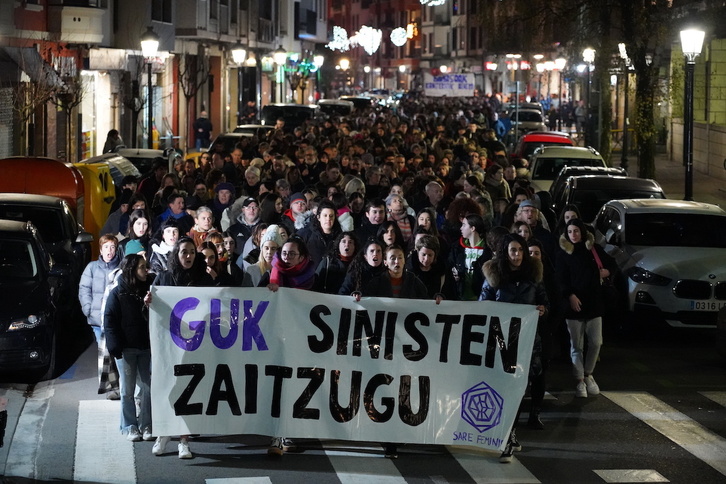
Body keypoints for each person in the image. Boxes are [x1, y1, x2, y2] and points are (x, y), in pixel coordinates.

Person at [480, 233, 548, 463]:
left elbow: (545, 302)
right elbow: (483, 305)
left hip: (527, 341)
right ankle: (506, 436)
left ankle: (510, 433)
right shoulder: (494, 275)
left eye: (520, 250)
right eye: (512, 250)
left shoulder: (534, 276)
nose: (517, 255)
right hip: (501, 341)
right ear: (504, 252)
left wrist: (541, 309)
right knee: (504, 388)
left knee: (519, 389)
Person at [151, 237, 214, 458]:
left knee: (189, 390)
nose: (187, 256)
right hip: (168, 344)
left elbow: (216, 305)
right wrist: (148, 302)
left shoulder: (204, 279)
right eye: (183, 252)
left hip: (195, 345)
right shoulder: (164, 277)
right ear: (176, 255)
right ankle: (163, 434)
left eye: (191, 252)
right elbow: (154, 311)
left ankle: (183, 440)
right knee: (167, 388)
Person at [263, 236, 316, 457]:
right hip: (276, 339)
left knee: (295, 385)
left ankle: (290, 431)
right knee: (278, 386)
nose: (286, 257)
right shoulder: (271, 275)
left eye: (291, 254)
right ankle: (277, 435)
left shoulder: (313, 277)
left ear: (302, 257)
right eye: (283, 253)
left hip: (301, 338)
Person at [556, 218, 616, 399]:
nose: (573, 235)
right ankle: (580, 380)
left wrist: (608, 271)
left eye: (576, 231)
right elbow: (560, 279)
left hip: (594, 304)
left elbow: (612, 263)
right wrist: (570, 296)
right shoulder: (563, 253)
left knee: (596, 342)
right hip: (574, 306)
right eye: (570, 231)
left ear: (582, 232)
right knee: (577, 346)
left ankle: (588, 373)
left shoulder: (593, 249)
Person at [103, 254, 153, 442]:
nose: (145, 270)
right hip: (126, 349)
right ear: (132, 269)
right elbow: (109, 320)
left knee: (148, 388)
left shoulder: (150, 289)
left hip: (146, 347)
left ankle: (147, 424)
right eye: (141, 267)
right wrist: (115, 347)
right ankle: (130, 426)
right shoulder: (118, 293)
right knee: (127, 390)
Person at [79, 234, 122, 399]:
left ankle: (120, 385)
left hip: (116, 319)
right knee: (105, 353)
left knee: (116, 351)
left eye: (112, 247)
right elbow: (84, 289)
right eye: (106, 247)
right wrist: (88, 309)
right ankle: (112, 387)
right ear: (100, 249)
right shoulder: (91, 267)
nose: (109, 251)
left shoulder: (121, 267)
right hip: (98, 320)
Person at [405, 234, 457, 301]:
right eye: (423, 254)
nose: (426, 259)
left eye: (430, 255)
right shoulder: (408, 271)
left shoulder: (443, 271)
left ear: (435, 255)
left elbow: (451, 292)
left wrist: (442, 296)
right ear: (418, 253)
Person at [449, 213, 488, 301]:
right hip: (460, 297)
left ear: (473, 228)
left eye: (464, 225)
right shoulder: (457, 247)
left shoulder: (487, 250)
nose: (461, 228)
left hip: (481, 298)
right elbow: (450, 265)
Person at [297, 199, 342, 267]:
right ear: (318, 217)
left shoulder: (340, 236)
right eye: (325, 215)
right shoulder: (306, 234)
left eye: (331, 216)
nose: (328, 219)